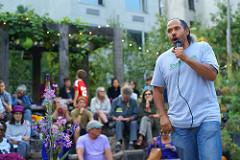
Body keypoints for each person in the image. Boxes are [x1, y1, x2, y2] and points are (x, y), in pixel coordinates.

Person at [151, 18, 221, 160]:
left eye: (176, 29)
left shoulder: (202, 48)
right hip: (179, 124)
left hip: (207, 117)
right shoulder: (163, 59)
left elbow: (212, 74)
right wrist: (163, 116)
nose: (173, 33)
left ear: (187, 31)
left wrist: (186, 58)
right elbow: (157, 90)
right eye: (169, 31)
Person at [109, 86, 139, 152]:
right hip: (119, 122)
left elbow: (136, 115)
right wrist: (116, 118)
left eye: (127, 98)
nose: (125, 99)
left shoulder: (133, 102)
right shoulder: (116, 101)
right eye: (124, 97)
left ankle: (131, 143)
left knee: (134, 123)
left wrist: (129, 118)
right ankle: (118, 143)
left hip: (130, 121)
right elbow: (111, 115)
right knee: (119, 123)